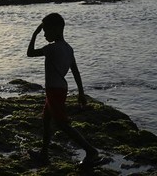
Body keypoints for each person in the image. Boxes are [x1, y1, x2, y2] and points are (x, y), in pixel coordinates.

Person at [26, 13, 103, 167]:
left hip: (54, 90)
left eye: (47, 31)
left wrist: (34, 34)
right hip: (59, 89)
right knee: (46, 120)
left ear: (57, 29)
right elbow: (75, 71)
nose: (45, 34)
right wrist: (81, 92)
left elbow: (30, 53)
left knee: (62, 124)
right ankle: (44, 154)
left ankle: (91, 151)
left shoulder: (52, 48)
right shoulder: (68, 49)